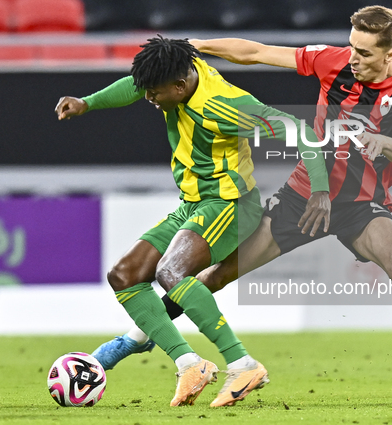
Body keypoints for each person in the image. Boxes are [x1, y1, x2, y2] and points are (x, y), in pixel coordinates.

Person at [94, 6, 392, 405]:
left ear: (390, 55)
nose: (353, 58)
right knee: (213, 277)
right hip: (302, 198)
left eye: (365, 53)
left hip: (360, 205)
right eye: (352, 47)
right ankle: (136, 338)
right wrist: (202, 45)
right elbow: (255, 52)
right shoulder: (333, 61)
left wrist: (382, 142)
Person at [55, 36, 330, 407]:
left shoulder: (227, 105)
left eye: (154, 94)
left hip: (231, 205)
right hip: (193, 204)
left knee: (171, 271)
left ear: (180, 87)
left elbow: (302, 132)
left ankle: (243, 364)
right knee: (124, 275)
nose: (149, 99)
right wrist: (88, 102)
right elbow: (134, 86)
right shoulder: (175, 71)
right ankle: (189, 364)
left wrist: (320, 190)